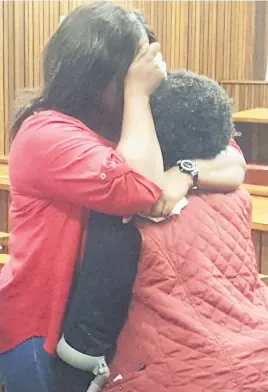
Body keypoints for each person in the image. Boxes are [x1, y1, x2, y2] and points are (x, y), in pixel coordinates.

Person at [0, 3, 245, 391]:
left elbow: (233, 160)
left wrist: (186, 172)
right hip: (38, 332)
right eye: (137, 66)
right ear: (101, 73)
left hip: (96, 334)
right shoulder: (44, 134)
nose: (150, 75)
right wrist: (138, 96)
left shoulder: (129, 126)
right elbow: (140, 190)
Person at [56, 70, 246, 392]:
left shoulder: (126, 211)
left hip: (172, 375)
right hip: (252, 355)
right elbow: (234, 159)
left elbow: (88, 337)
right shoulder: (236, 197)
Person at [100, 71, 268, 391]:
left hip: (180, 376)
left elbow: (96, 321)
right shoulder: (237, 197)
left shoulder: (132, 214)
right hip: (257, 356)